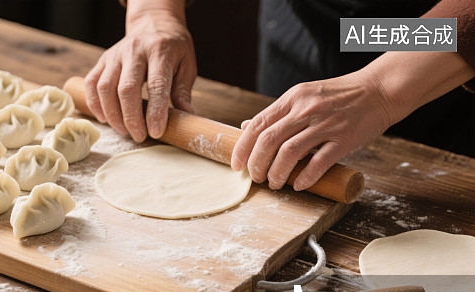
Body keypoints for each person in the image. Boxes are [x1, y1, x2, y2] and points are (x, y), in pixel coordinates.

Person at [84, 0, 475, 191]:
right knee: (280, 160)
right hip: (308, 22)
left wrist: (380, 88)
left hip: (440, 48)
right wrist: (153, 13)